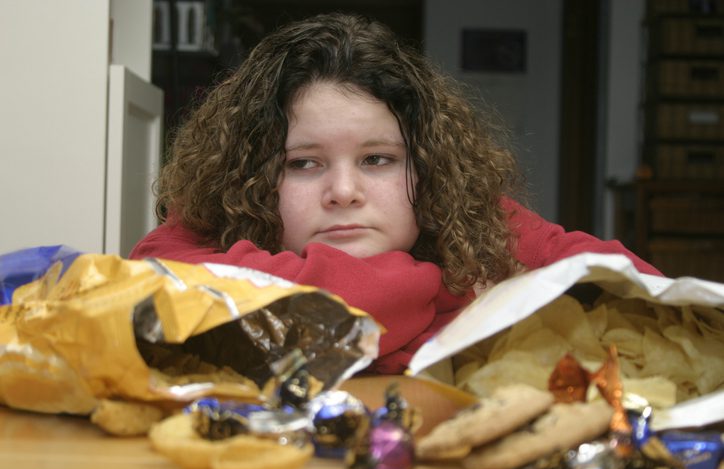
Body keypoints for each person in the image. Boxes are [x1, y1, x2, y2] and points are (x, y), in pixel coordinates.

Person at [130, 13, 661, 374]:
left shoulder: (464, 212)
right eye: (303, 164)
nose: (343, 192)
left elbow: (638, 289)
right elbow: (155, 290)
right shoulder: (201, 226)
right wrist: (436, 291)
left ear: (427, 167)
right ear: (248, 174)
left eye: (377, 160)